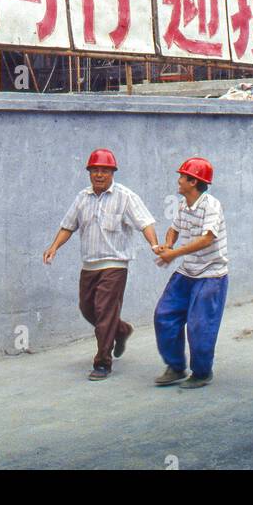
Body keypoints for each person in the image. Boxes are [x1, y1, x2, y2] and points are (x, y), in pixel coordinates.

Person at [43, 148, 158, 380]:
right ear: (88, 173)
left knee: (104, 312)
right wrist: (54, 246)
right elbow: (68, 226)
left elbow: (145, 222)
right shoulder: (82, 197)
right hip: (89, 265)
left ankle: (103, 362)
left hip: (115, 264)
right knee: (87, 308)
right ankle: (121, 329)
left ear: (113, 173)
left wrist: (154, 245)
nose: (99, 175)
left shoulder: (125, 196)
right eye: (94, 170)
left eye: (104, 170)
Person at [153, 156, 228, 389]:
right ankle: (175, 367)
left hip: (211, 274)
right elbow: (173, 230)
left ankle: (202, 372)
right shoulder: (184, 205)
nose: (179, 180)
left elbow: (207, 239)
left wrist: (173, 255)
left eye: (182, 177)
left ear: (193, 181)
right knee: (164, 314)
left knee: (199, 324)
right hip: (187, 272)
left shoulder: (211, 205)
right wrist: (168, 245)